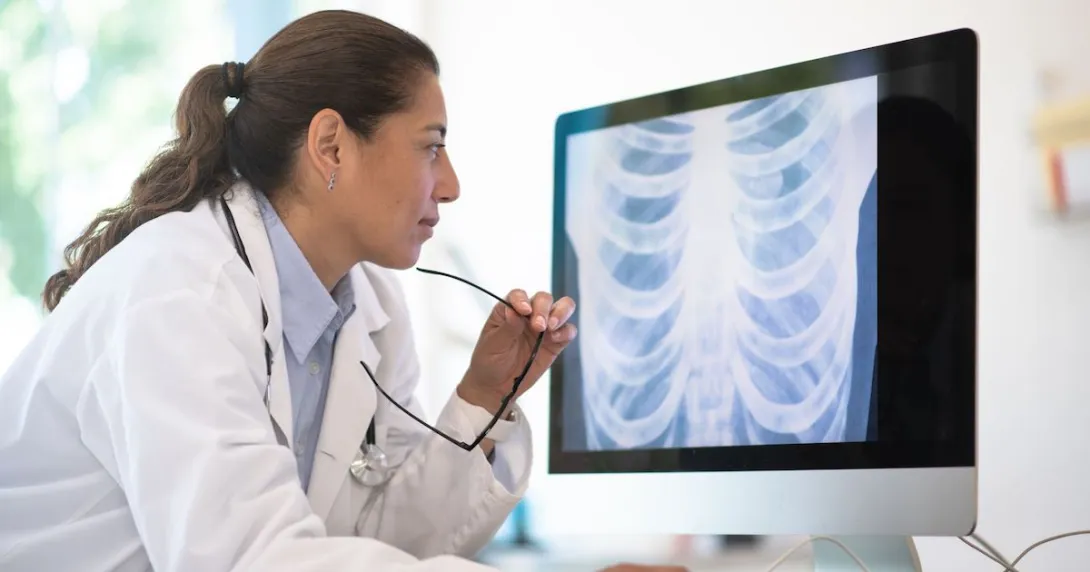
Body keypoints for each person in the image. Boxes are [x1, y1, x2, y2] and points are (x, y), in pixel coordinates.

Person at [0, 10, 685, 572]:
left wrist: (484, 396)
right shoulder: (179, 292)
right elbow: (253, 560)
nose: (450, 185)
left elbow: (385, 547)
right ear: (331, 145)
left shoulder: (369, 309)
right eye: (431, 146)